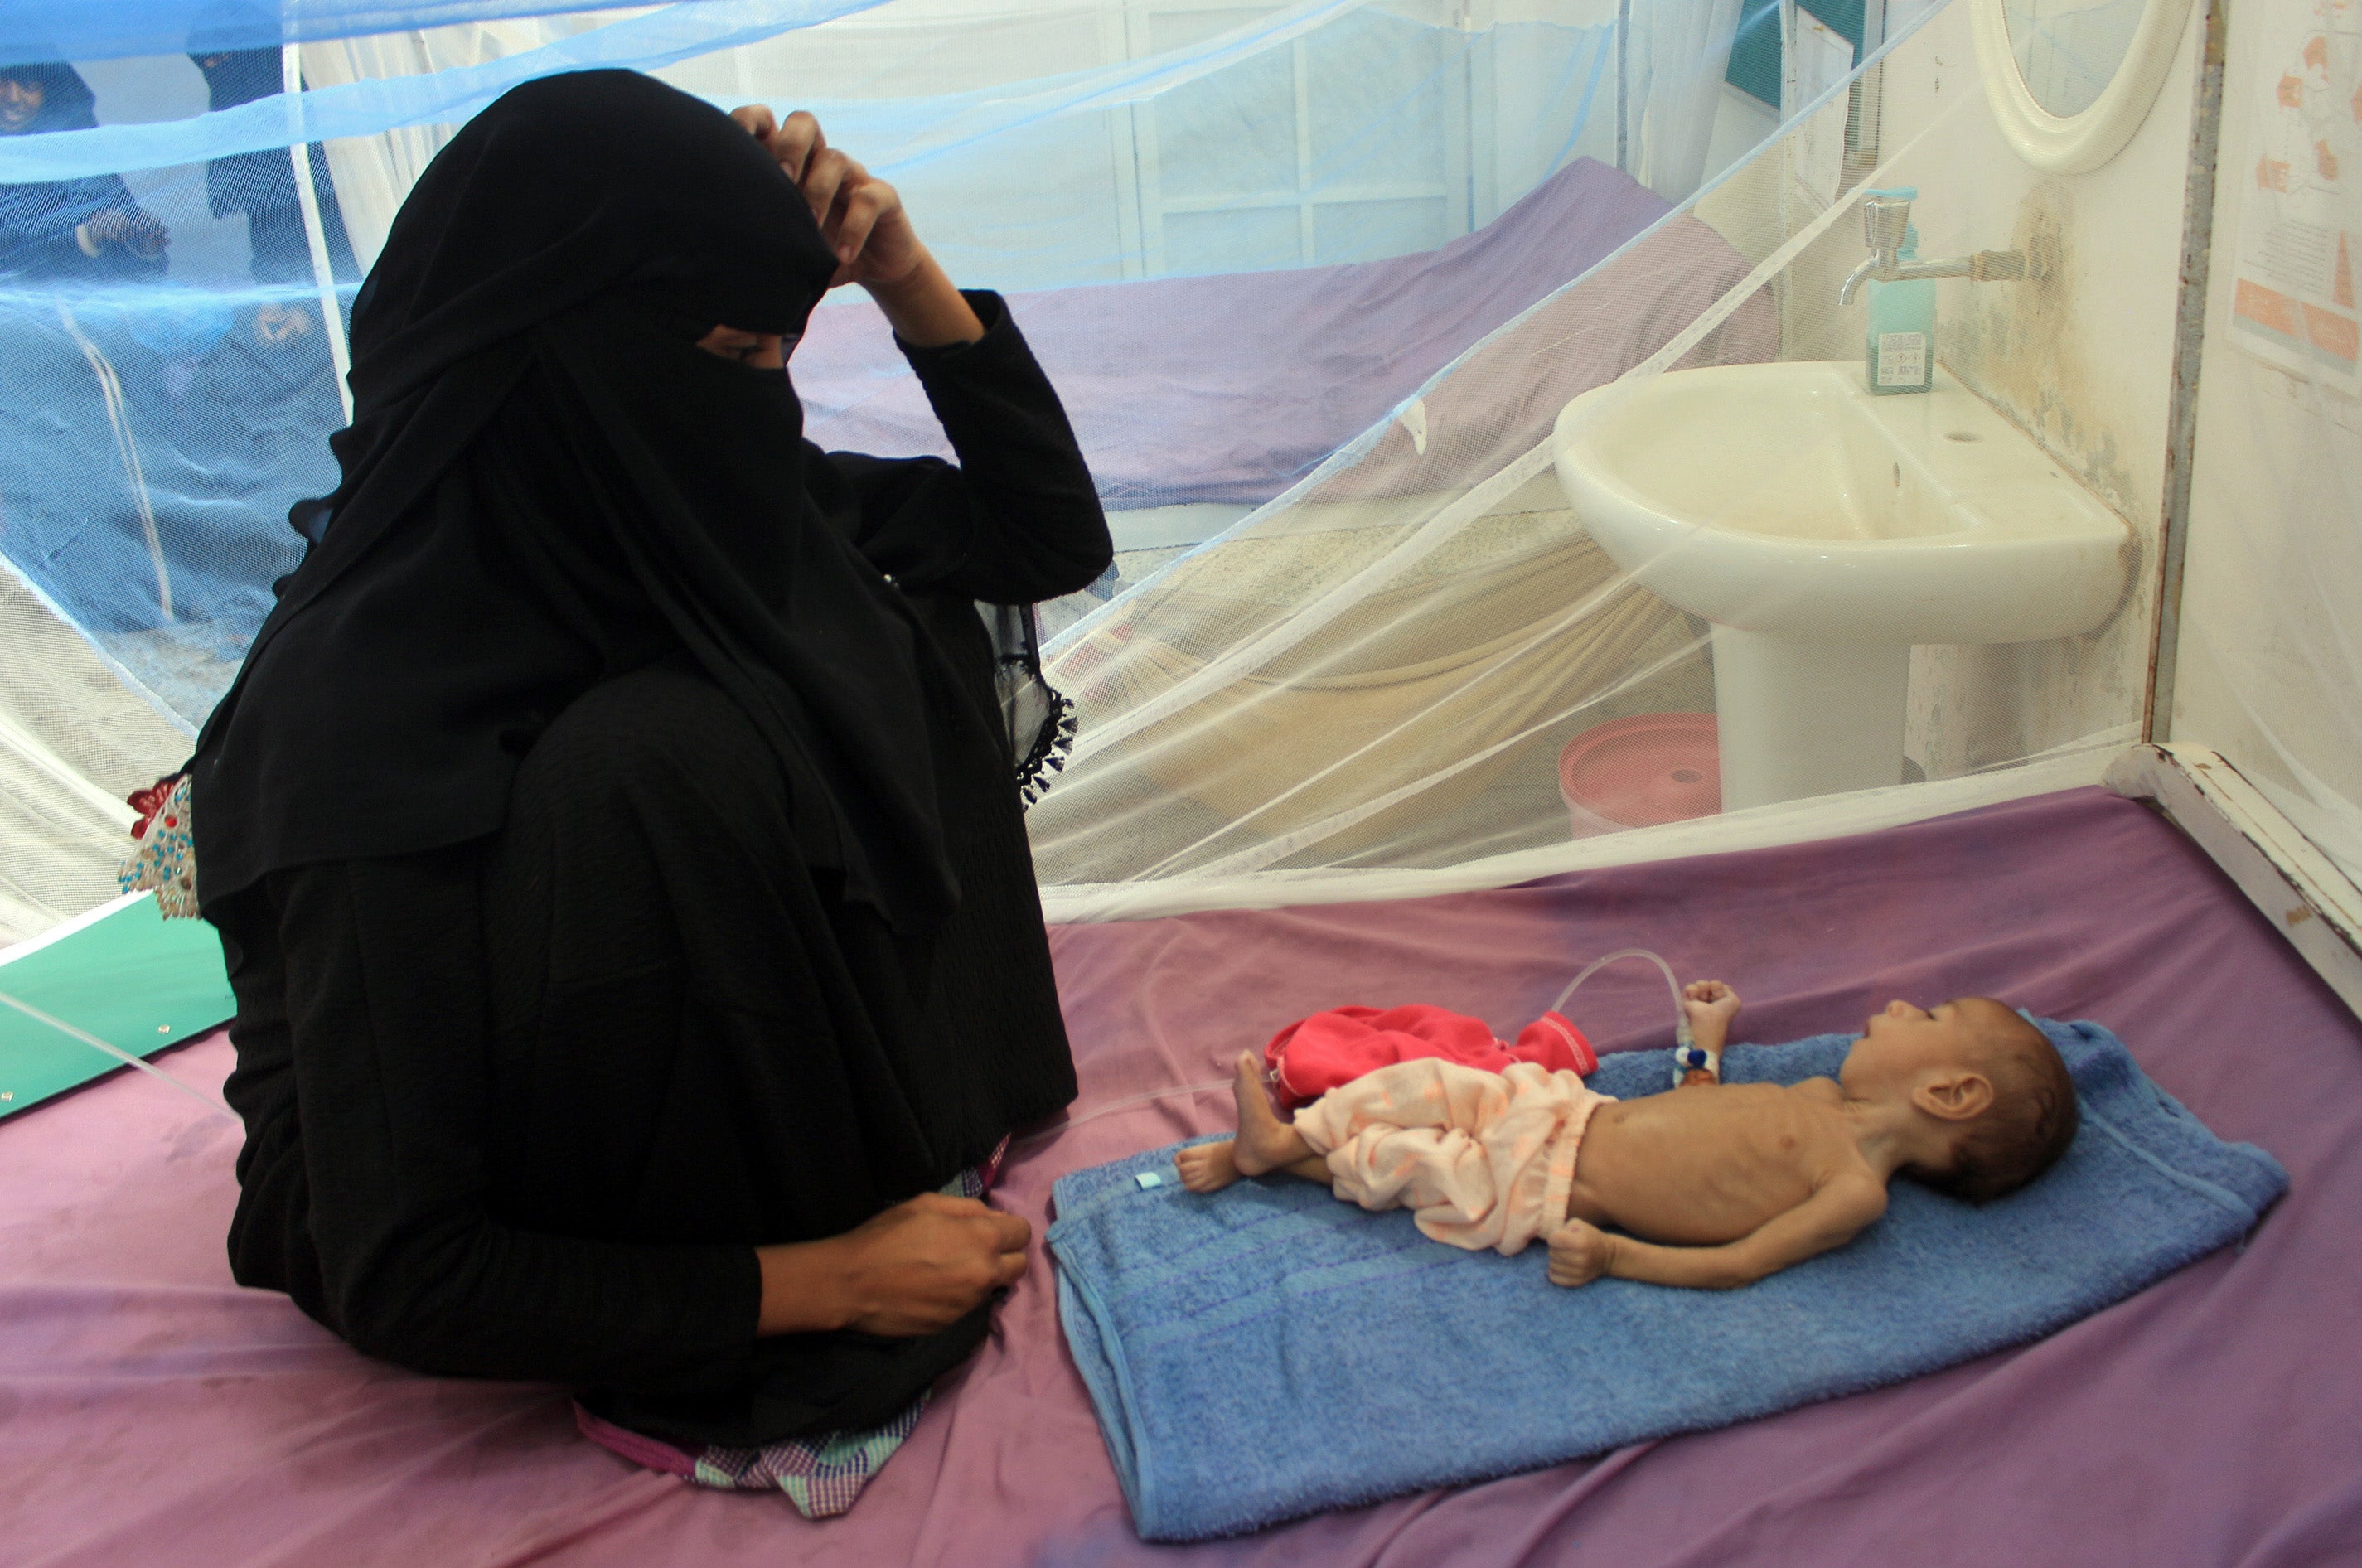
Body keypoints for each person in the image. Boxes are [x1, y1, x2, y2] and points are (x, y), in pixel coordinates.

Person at [185, 70, 1111, 1469]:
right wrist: (828, 1278)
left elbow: (1040, 539)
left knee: (859, 609)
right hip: (516, 1203)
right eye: (737, 351)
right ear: (562, 354)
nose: (764, 407)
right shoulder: (362, 717)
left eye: (779, 357)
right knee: (661, 757)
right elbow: (403, 1263)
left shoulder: (678, 511)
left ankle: (857, 1114)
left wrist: (902, 274)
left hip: (712, 1088)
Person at [1175, 985, 2080, 1289]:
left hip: (1547, 1187)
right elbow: (1698, 1107)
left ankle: (1280, 1160)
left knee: (1410, 1164)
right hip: (1569, 1111)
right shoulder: (1810, 1093)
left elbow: (1737, 1263)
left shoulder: (1853, 1189)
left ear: (1950, 1092)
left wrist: (1613, 1255)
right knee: (1428, 1083)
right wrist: (1706, 1036)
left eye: (1927, 1013)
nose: (1892, 1005)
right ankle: (1285, 1135)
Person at [0, 62, 168, 280]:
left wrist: (144, 246)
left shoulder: (81, 151)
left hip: (95, 305)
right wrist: (84, 235)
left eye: (29, 86)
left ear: (51, 92)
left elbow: (143, 273)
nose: (13, 98)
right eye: (2, 83)